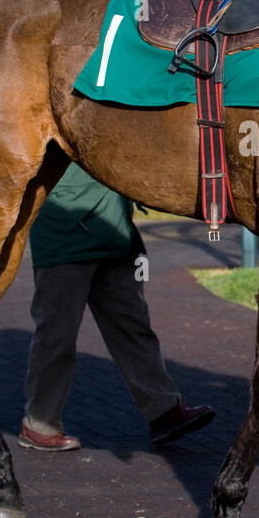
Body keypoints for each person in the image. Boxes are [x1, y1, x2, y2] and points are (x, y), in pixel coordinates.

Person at [19, 163, 214, 450]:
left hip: (115, 232)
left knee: (134, 328)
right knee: (57, 335)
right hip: (64, 236)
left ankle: (163, 411)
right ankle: (39, 423)